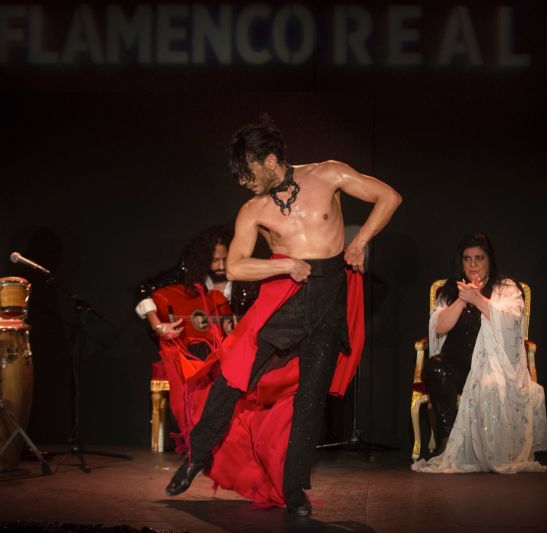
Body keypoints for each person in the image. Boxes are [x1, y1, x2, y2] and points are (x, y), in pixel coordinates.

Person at [165, 116, 401, 516]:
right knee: (232, 380)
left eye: (247, 171)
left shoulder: (328, 174)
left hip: (328, 297)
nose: (242, 181)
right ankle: (197, 457)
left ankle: (294, 490)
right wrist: (284, 266)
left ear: (271, 159)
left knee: (310, 400)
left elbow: (389, 197)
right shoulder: (252, 210)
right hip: (284, 300)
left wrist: (360, 242)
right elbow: (237, 266)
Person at [411, 233, 547, 474]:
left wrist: (479, 299)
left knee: (491, 383)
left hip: (492, 364)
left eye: (479, 258)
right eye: (467, 259)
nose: (473, 264)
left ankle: (485, 449)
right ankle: (446, 443)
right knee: (435, 367)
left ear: (489, 260)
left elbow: (511, 322)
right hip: (458, 362)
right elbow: (439, 327)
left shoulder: (506, 289)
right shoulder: (450, 291)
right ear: (460, 261)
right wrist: (463, 301)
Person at [134, 224, 258, 447]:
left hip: (233, 349)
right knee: (198, 357)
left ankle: (235, 440)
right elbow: (143, 289)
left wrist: (237, 330)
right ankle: (201, 437)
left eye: (225, 259)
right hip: (194, 348)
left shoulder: (248, 283)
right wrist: (158, 324)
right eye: (214, 260)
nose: (220, 266)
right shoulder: (188, 273)